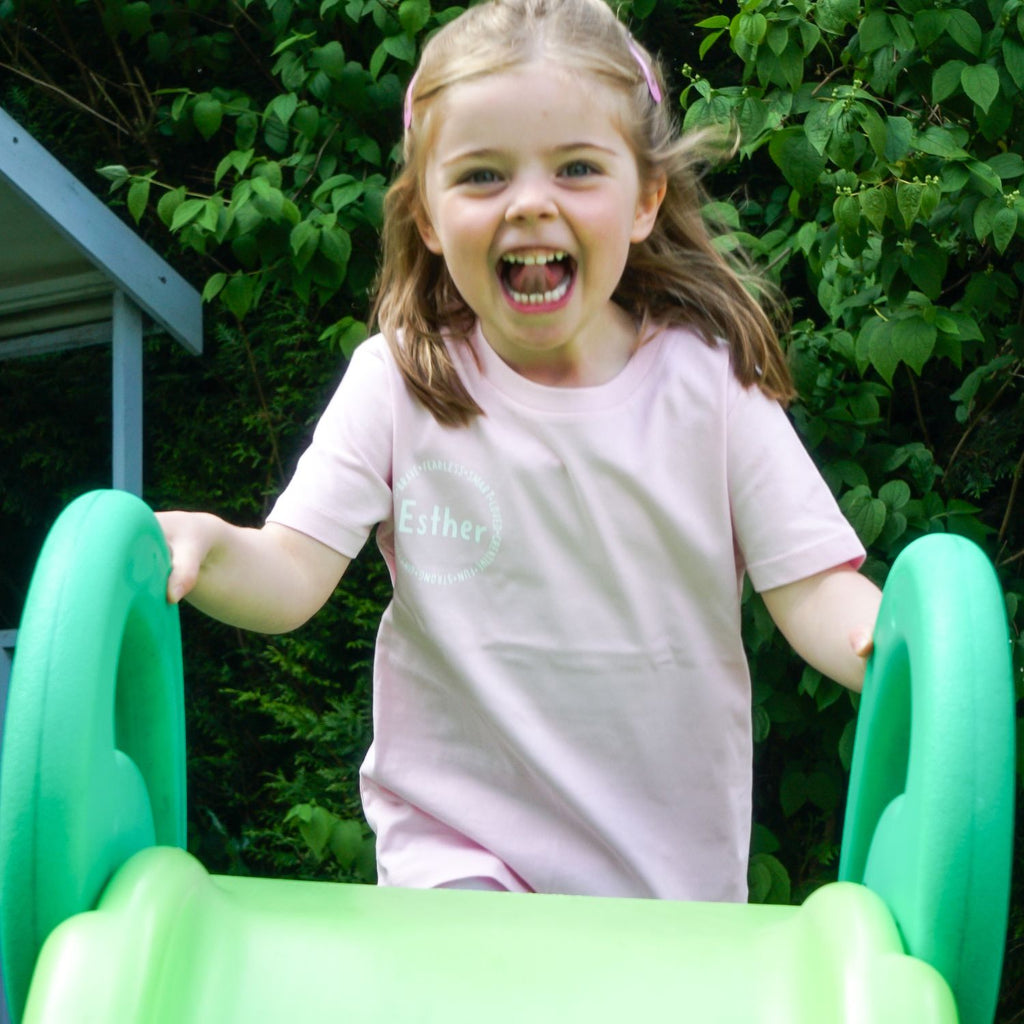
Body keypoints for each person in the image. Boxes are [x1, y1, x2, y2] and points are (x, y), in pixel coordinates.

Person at [158, 0, 881, 901]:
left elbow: (811, 583)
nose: (530, 202)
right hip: (457, 859)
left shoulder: (709, 387)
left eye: (577, 168)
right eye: (483, 175)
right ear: (426, 215)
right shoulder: (401, 380)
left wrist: (890, 641)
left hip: (667, 890)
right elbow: (289, 575)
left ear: (646, 198)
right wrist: (211, 546)